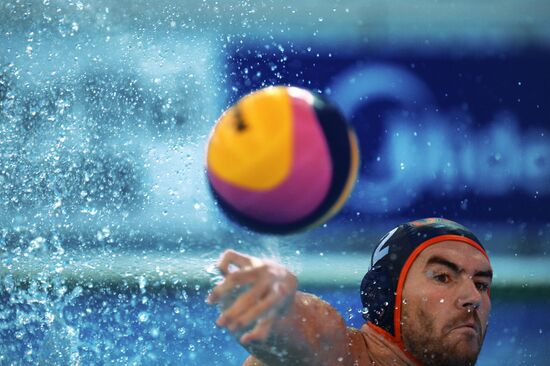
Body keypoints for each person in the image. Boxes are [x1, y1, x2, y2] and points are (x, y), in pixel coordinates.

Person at [207, 218, 493, 366]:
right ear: (386, 296)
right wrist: (270, 304)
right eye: (443, 277)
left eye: (481, 284)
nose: (473, 297)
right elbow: (307, 332)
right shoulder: (342, 356)